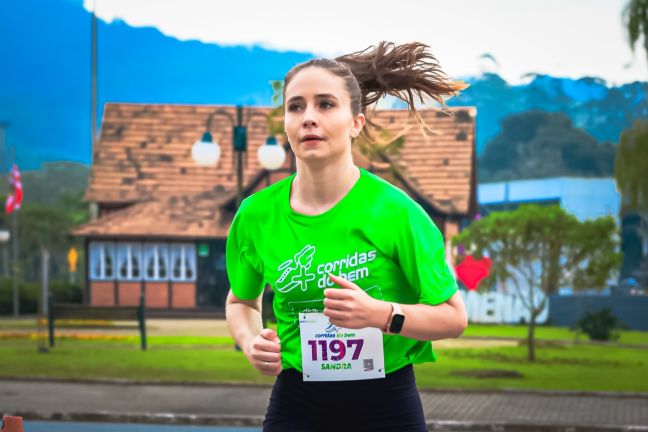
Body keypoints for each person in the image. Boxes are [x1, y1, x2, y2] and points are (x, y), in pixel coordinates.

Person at [225, 41, 469, 432]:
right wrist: (250, 340)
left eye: (325, 104)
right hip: (296, 401)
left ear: (357, 122)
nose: (308, 118)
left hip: (385, 403)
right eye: (295, 106)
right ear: (285, 124)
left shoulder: (396, 212)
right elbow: (241, 301)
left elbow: (453, 318)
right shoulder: (255, 215)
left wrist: (381, 315)